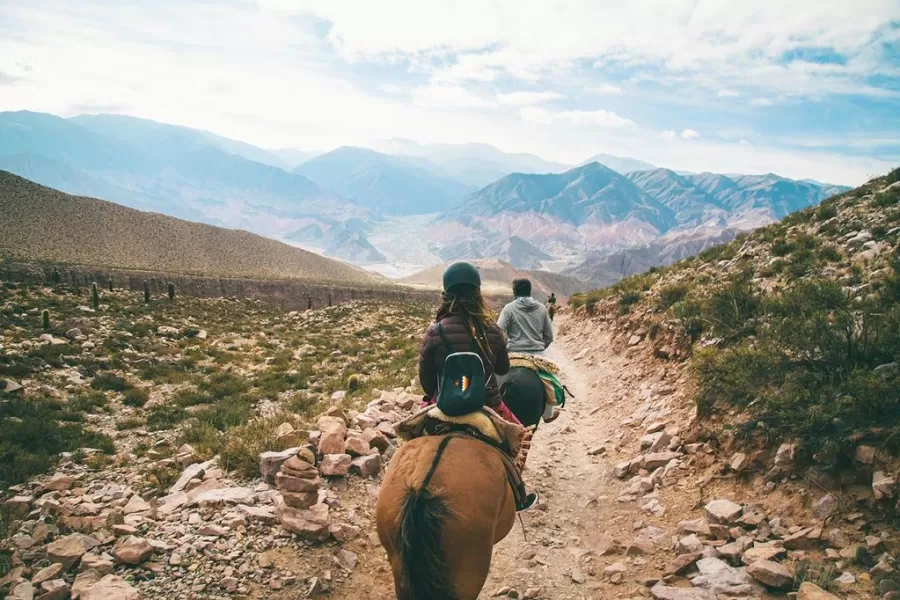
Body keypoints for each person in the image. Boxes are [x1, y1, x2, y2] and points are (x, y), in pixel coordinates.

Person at [418, 262, 537, 510]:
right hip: (488, 406)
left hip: (444, 405)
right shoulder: (492, 330)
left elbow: (427, 384)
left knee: (410, 442)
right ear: (477, 293)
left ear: (446, 294)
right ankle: (518, 493)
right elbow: (503, 369)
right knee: (521, 435)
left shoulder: (434, 332)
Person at [497, 279, 560, 423]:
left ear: (514, 291)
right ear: (529, 291)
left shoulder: (509, 308)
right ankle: (548, 413)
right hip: (537, 354)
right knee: (549, 378)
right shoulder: (542, 308)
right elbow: (549, 336)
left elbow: (498, 331)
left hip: (512, 353)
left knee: (492, 378)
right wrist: (538, 348)